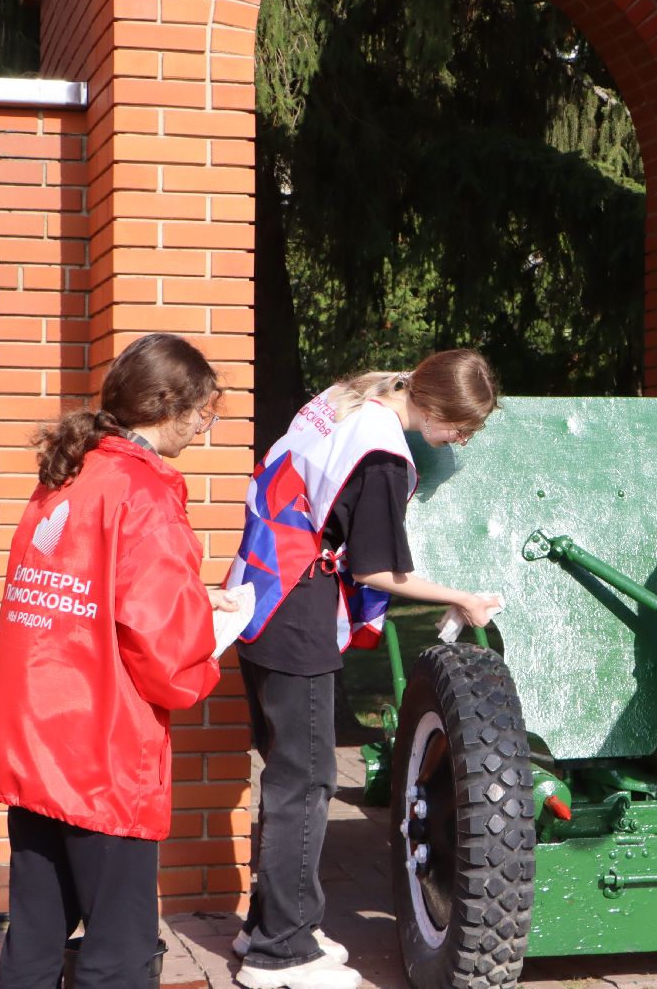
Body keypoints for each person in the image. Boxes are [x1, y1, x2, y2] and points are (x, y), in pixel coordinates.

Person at [225, 349, 503, 989]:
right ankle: (279, 955)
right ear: (432, 406)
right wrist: (460, 597)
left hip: (259, 589)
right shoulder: (383, 456)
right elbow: (377, 569)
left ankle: (275, 921)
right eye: (462, 427)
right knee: (310, 778)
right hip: (296, 608)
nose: (461, 439)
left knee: (289, 770)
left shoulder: (350, 399)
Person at [0, 333, 242, 989]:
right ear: (168, 406)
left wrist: (186, 600)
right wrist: (213, 629)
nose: (206, 428)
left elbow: (82, 592)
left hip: (34, 737)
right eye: (206, 412)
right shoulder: (144, 491)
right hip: (103, 755)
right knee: (118, 951)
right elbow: (165, 650)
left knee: (36, 932)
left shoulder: (70, 472)